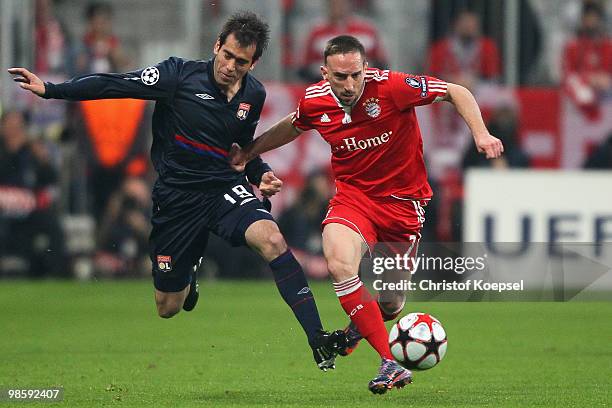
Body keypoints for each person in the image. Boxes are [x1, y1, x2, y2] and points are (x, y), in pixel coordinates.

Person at [9, 11, 345, 371]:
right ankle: (189, 272)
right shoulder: (177, 75)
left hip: (222, 189)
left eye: (241, 61)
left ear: (253, 63)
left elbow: (242, 149)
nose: (230, 66)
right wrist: (52, 89)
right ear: (217, 46)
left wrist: (259, 172)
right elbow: (115, 84)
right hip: (176, 199)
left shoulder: (254, 95)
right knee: (167, 306)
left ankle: (317, 337)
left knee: (272, 240)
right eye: (227, 55)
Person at [230, 35, 503, 393]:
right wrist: (249, 152)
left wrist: (481, 134)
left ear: (366, 69)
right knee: (340, 262)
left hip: (404, 206)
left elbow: (456, 91)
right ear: (325, 73)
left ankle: (353, 333)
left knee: (391, 303)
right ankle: (389, 362)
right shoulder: (315, 100)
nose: (349, 84)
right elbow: (294, 125)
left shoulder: (393, 87)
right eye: (340, 77)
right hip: (354, 199)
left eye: (355, 75)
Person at [0, 110, 67, 277]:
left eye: (18, 127)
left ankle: (55, 273)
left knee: (53, 226)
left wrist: (42, 157)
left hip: (28, 209)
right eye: (10, 126)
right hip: (4, 208)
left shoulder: (31, 151)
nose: (14, 131)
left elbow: (50, 178)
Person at [298, 0, 388, 83]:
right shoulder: (316, 32)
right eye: (334, 3)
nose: (338, 6)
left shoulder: (367, 30)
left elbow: (381, 62)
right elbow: (304, 67)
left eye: (341, 2)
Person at [561, 2, 611, 121]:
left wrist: (605, 79)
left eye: (594, 19)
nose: (591, 22)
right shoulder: (572, 46)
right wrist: (588, 79)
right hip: (581, 91)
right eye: (588, 19)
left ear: (600, 21)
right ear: (582, 20)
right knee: (583, 94)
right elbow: (568, 75)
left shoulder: (608, 46)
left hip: (605, 91)